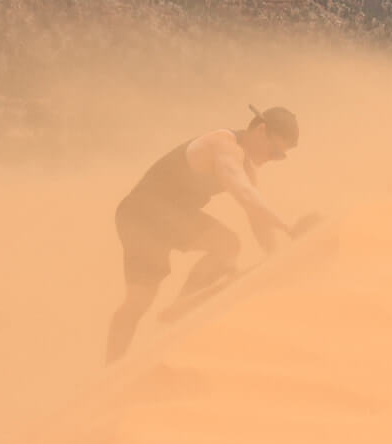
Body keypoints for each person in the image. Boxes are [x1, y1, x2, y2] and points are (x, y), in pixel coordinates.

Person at [105, 105, 310, 362]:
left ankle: (179, 309)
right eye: (275, 151)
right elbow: (246, 196)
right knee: (140, 301)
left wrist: (274, 256)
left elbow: (255, 216)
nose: (273, 159)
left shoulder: (246, 165)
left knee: (223, 248)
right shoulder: (222, 145)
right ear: (261, 130)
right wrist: (290, 228)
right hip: (143, 214)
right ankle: (114, 362)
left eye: (280, 157)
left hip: (167, 215)